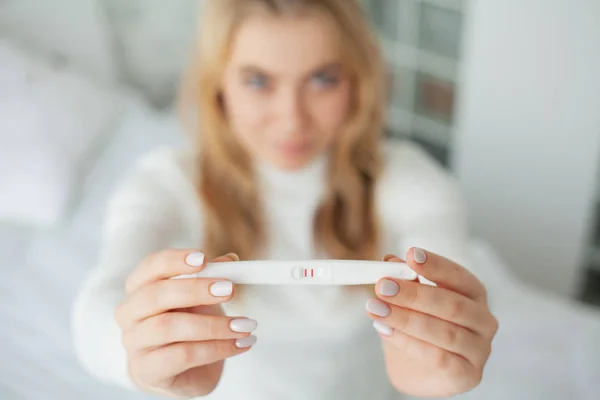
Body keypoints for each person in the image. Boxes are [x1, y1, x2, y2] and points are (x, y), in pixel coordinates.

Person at [72, 0, 498, 399]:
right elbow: (98, 308)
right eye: (258, 81)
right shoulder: (166, 184)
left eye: (322, 79)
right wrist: (132, 351)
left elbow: (454, 272)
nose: (292, 119)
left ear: (356, 79)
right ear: (219, 84)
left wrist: (451, 343)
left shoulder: (409, 181)